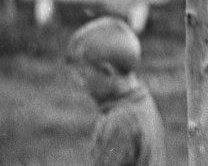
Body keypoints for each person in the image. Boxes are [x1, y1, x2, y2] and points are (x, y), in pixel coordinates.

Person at [66, 16, 166, 166]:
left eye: (83, 75)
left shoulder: (120, 121)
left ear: (107, 72)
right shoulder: (143, 100)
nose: (81, 83)